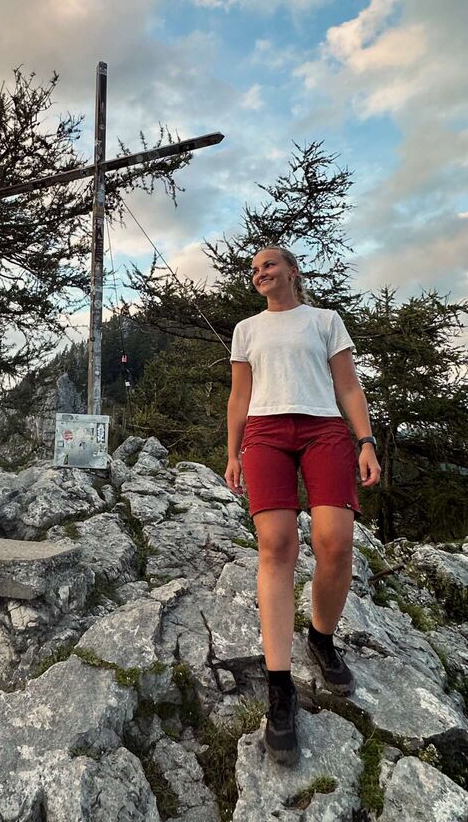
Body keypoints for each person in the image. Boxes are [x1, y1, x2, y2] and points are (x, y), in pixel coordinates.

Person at [224, 246, 380, 767]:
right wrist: (233, 454)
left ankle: (321, 638)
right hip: (265, 433)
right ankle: (279, 688)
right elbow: (239, 397)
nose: (259, 273)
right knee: (276, 545)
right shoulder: (246, 330)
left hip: (324, 430)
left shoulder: (324, 320)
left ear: (292, 270)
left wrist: (366, 441)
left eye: (268, 265)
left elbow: (348, 386)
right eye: (253, 270)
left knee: (335, 542)